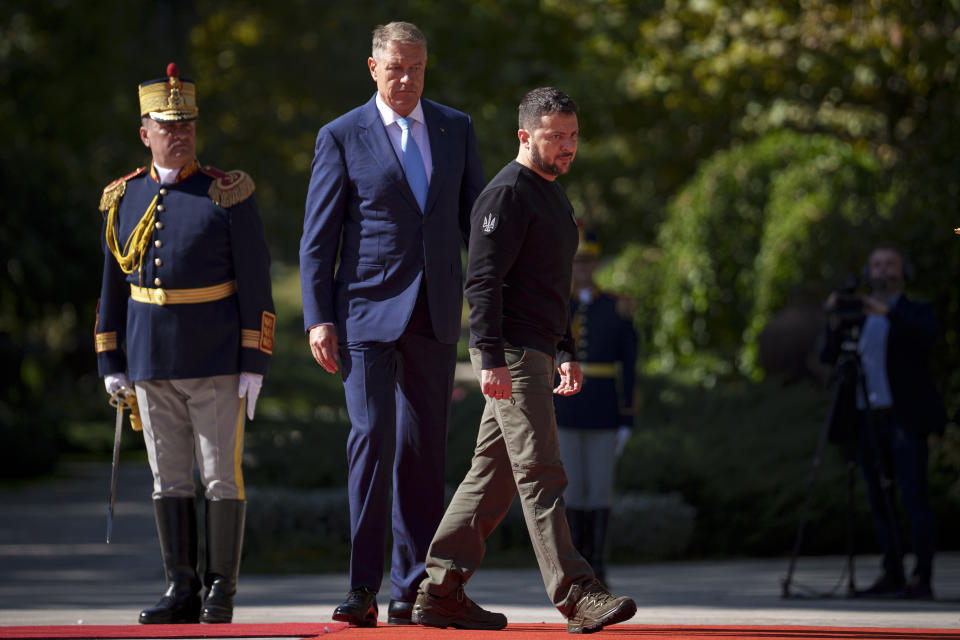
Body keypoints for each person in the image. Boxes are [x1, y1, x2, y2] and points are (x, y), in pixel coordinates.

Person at [412, 87, 637, 634]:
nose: (567, 147)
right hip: (511, 355)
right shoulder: (507, 193)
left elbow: (549, 288)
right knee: (541, 472)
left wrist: (565, 350)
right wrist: (488, 356)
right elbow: (483, 282)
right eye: (555, 136)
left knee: (491, 478)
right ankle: (578, 594)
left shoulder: (553, 195)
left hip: (536, 351)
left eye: (573, 136)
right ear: (524, 135)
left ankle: (440, 590)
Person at [299, 21, 485, 627]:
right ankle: (362, 588)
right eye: (396, 67)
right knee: (372, 438)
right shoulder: (341, 135)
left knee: (423, 451)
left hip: (434, 313)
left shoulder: (455, 128)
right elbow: (317, 241)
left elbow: (473, 224)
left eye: (417, 68)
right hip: (363, 314)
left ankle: (416, 588)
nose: (407, 79)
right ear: (373, 68)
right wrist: (318, 318)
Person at [95, 63, 275, 624]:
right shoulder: (122, 197)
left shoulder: (225, 194)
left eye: (188, 125)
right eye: (167, 125)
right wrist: (110, 358)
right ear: (144, 131)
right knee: (167, 477)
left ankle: (221, 589)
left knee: (221, 474)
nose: (180, 134)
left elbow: (256, 282)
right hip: (149, 358)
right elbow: (111, 287)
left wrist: (254, 361)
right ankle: (182, 587)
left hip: (215, 356)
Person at [820, 243, 946, 600]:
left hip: (905, 417)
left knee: (913, 496)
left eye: (889, 264)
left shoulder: (914, 310)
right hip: (866, 418)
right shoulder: (856, 314)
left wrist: (886, 314)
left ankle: (922, 578)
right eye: (876, 265)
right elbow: (827, 355)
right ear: (866, 272)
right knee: (879, 500)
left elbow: (927, 341)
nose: (882, 271)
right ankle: (892, 573)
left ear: (904, 270)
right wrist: (833, 318)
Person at [554, 231, 638, 586]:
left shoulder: (616, 308)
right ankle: (578, 568)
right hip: (567, 408)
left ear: (596, 265)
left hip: (604, 411)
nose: (583, 269)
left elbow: (630, 366)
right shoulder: (559, 306)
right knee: (572, 491)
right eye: (577, 262)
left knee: (600, 490)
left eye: (587, 262)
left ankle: (599, 567)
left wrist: (627, 417)